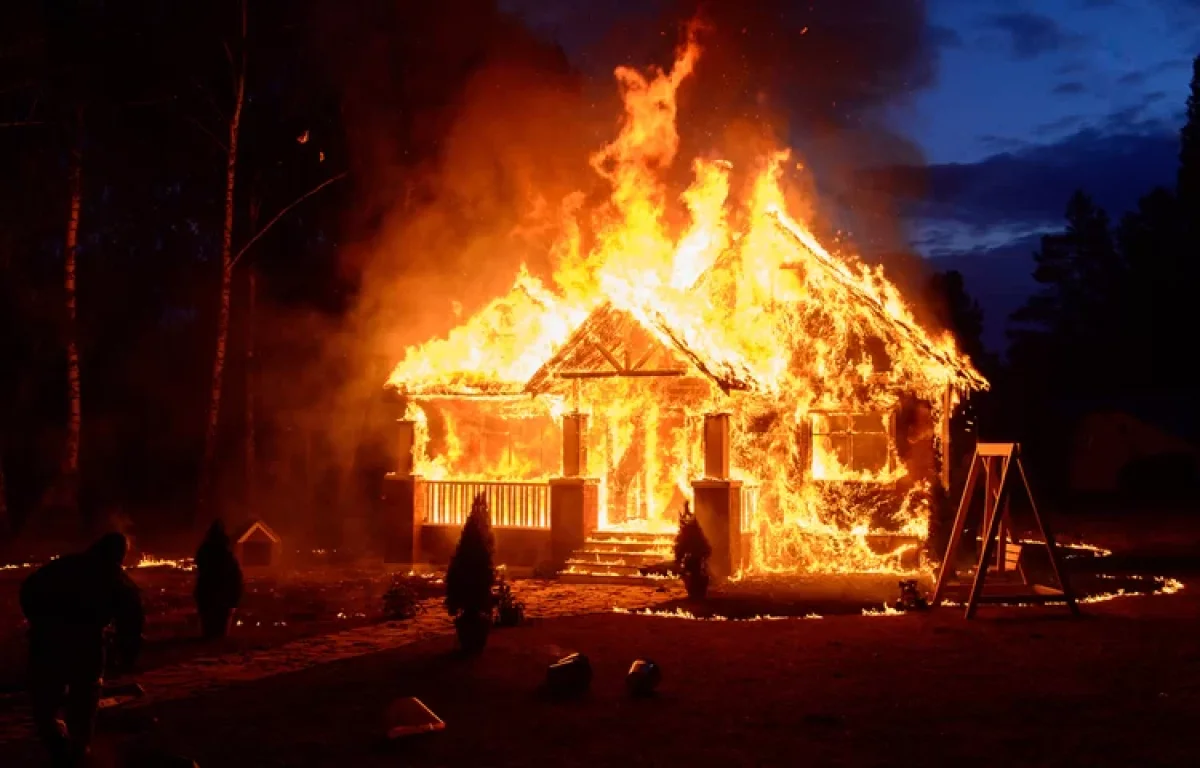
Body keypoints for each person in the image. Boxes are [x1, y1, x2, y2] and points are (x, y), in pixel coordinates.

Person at [20, 532, 144, 767]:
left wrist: (40, 622)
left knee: (45, 696)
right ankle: (77, 749)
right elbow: (132, 618)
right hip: (85, 645)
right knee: (85, 696)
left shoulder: (62, 566)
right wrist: (128, 652)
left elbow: (29, 589)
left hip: (46, 641)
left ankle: (56, 741)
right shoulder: (115, 577)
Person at [194, 520, 243, 639]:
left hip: (209, 594)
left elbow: (201, 568)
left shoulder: (205, 551)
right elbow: (235, 577)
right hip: (221, 595)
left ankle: (212, 639)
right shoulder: (227, 555)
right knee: (219, 631)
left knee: (211, 629)